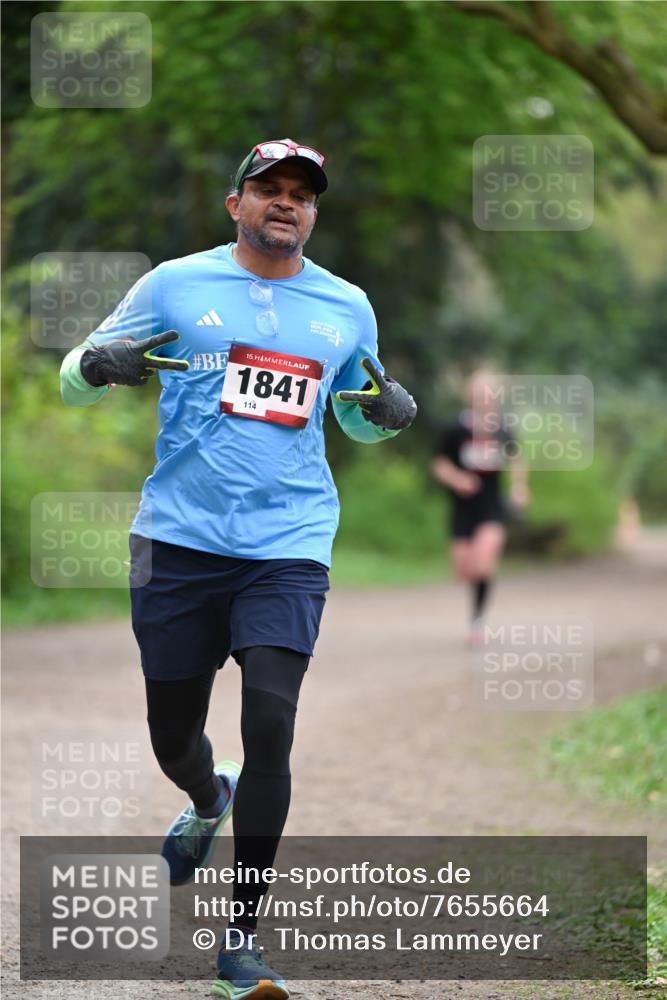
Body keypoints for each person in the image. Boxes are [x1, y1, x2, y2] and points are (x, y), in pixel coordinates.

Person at [59, 138, 416, 1000]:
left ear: (314, 212)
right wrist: (97, 366)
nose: (285, 204)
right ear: (236, 204)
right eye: (269, 190)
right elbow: (75, 376)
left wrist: (386, 416)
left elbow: (353, 418)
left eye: (301, 194)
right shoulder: (176, 285)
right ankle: (204, 794)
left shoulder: (346, 306)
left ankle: (240, 943)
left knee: (272, 721)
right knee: (172, 736)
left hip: (288, 546)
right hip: (177, 542)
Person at [431, 370, 528, 644]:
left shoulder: (503, 428)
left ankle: (477, 622)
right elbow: (439, 464)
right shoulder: (457, 429)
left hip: (492, 507)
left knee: (483, 561)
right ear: (470, 396)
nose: (485, 398)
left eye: (489, 393)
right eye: (479, 392)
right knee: (465, 569)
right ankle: (478, 579)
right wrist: (457, 478)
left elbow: (517, 459)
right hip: (462, 509)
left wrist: (520, 488)